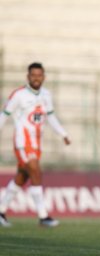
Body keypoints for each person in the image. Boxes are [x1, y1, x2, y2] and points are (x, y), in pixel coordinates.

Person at [0, 62, 70, 227]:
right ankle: (43, 215)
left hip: (37, 143)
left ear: (43, 77)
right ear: (28, 77)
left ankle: (1, 210)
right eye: (33, 75)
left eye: (39, 75)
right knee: (35, 171)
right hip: (22, 143)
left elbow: (51, 117)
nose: (36, 78)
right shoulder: (18, 95)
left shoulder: (46, 94)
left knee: (22, 177)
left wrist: (63, 134)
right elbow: (4, 115)